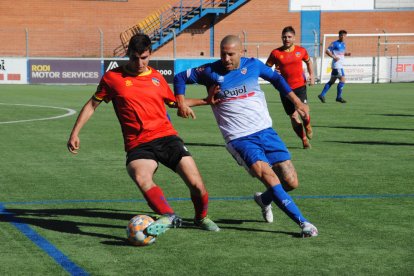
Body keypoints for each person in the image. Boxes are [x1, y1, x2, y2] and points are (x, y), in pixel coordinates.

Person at [67, 34, 219, 236]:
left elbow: (174, 102)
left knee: (197, 185)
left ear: (150, 55)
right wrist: (75, 133)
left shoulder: (156, 77)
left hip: (167, 137)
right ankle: (169, 216)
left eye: (144, 57)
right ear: (128, 54)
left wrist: (205, 101)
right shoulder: (113, 78)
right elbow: (92, 104)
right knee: (141, 177)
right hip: (138, 143)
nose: (139, 62)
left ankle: (201, 218)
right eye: (134, 58)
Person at [173, 35, 318, 237]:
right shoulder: (209, 71)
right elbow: (180, 77)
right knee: (269, 176)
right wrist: (181, 102)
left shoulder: (253, 66)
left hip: (266, 131)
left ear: (242, 52)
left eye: (231, 54)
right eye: (223, 54)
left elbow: (276, 79)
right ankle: (304, 223)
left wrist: (297, 102)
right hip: (239, 138)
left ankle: (264, 200)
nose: (226, 58)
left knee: (291, 181)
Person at [265, 26, 314, 149]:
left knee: (304, 113)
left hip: (300, 86)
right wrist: (274, 73)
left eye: (289, 37)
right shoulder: (275, 53)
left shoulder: (301, 51)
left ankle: (307, 124)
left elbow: (308, 62)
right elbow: (266, 68)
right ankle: (303, 139)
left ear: (294, 38)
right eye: (284, 37)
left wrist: (312, 75)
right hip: (284, 89)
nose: (286, 39)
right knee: (293, 116)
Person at [318, 30, 351, 103]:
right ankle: (338, 97)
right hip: (337, 65)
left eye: (344, 35)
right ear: (339, 36)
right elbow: (327, 51)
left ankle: (322, 94)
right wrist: (333, 57)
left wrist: (346, 54)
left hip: (338, 65)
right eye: (341, 35)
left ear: (346, 36)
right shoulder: (334, 43)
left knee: (331, 81)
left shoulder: (343, 44)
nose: (342, 36)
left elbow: (340, 53)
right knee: (342, 80)